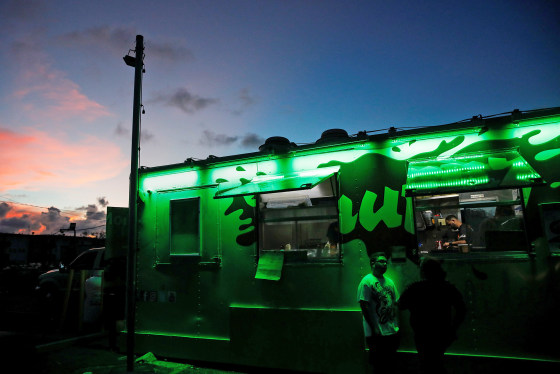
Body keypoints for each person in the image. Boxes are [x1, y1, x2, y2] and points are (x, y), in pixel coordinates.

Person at [398, 258, 466, 374]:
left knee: (427, 363)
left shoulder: (415, 288)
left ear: (423, 271)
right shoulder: (447, 287)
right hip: (442, 333)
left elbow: (401, 305)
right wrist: (453, 329)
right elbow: (462, 309)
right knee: (436, 362)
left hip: (422, 333)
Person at [357, 252, 400, 374]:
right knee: (378, 365)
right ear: (372, 263)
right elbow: (364, 306)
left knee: (390, 363)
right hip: (376, 332)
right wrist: (374, 328)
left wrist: (396, 326)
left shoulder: (390, 282)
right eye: (381, 261)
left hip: (390, 330)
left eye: (386, 262)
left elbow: (395, 302)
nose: (385, 264)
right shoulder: (367, 281)